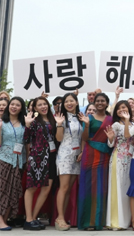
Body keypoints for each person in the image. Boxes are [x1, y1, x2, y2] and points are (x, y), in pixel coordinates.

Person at [77, 93, 112, 230]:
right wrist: (86, 125)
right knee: (88, 187)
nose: (100, 103)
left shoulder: (111, 119)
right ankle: (87, 222)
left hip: (104, 156)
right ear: (93, 102)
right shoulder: (88, 118)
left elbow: (112, 138)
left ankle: (98, 221)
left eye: (103, 101)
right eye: (97, 101)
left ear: (107, 103)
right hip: (90, 154)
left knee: (100, 188)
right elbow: (85, 138)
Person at [23, 96, 58, 230]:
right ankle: (28, 219)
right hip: (37, 156)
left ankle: (33, 218)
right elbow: (26, 139)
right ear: (35, 108)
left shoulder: (54, 119)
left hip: (52, 156)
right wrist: (27, 125)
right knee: (32, 187)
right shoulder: (33, 121)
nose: (43, 106)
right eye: (40, 105)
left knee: (47, 188)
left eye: (45, 104)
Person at [54, 92, 84, 231]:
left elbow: (83, 137)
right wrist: (59, 125)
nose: (69, 103)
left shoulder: (80, 118)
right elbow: (59, 139)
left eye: (71, 101)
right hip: (65, 155)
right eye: (66, 101)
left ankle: (63, 217)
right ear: (63, 104)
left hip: (76, 156)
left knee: (69, 189)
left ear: (77, 103)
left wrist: (82, 151)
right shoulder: (61, 117)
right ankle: (59, 218)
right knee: (64, 187)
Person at [106, 101, 134, 230]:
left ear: (129, 108)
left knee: (127, 189)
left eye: (123, 107)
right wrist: (111, 138)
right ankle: (116, 221)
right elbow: (110, 144)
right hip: (118, 158)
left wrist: (129, 121)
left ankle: (127, 220)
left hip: (132, 159)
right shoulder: (116, 124)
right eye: (118, 108)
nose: (121, 110)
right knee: (117, 189)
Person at [0, 97, 26, 231]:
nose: (14, 106)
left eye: (18, 105)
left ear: (22, 108)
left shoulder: (24, 123)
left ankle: (4, 220)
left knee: (12, 192)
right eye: (12, 104)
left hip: (19, 161)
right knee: (2, 190)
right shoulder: (2, 123)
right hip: (4, 159)